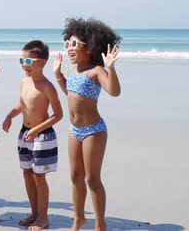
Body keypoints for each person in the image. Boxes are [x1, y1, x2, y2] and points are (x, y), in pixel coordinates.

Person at [53, 17, 121, 231]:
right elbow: (71, 94)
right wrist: (58, 76)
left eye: (74, 44)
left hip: (94, 131)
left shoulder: (95, 71)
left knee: (92, 178)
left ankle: (100, 224)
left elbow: (114, 91)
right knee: (75, 176)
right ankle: (78, 219)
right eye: (67, 44)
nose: (69, 49)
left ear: (90, 47)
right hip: (75, 131)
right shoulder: (73, 70)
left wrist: (110, 68)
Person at [2, 40, 63, 230]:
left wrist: (36, 129)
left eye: (28, 62)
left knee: (39, 177)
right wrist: (10, 116)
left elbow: (58, 115)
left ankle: (43, 217)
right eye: (22, 61)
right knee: (27, 173)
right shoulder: (24, 81)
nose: (24, 65)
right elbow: (22, 104)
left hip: (42, 135)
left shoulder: (47, 86)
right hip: (24, 134)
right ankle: (34, 213)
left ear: (42, 62)